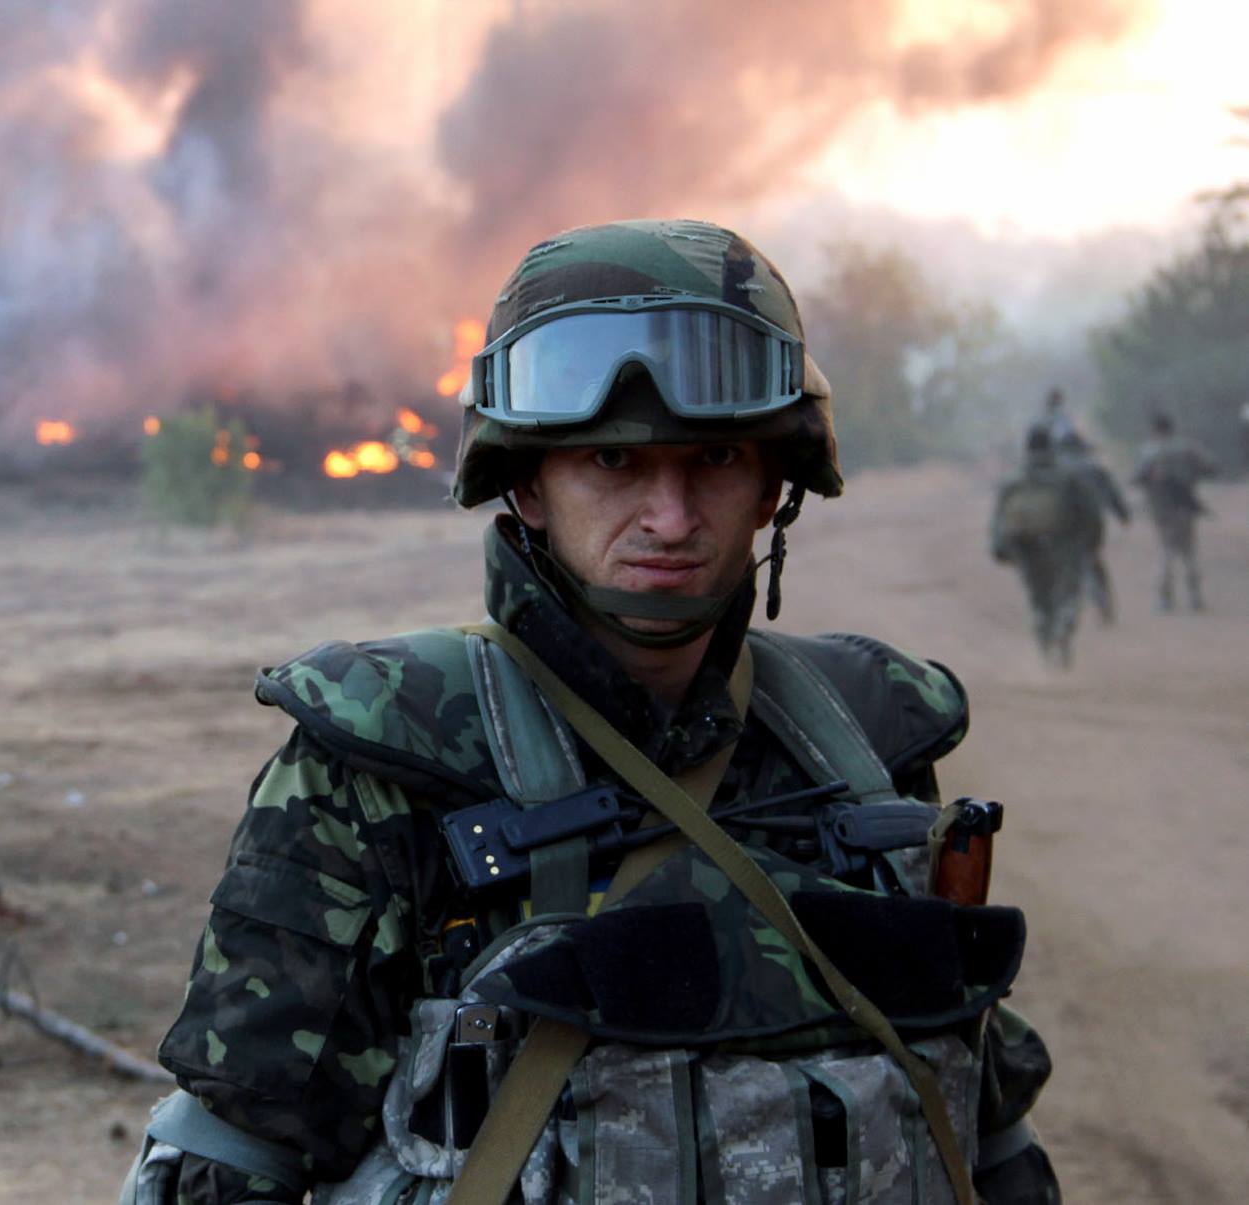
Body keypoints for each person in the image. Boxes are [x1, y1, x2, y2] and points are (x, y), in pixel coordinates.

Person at [122, 220, 1058, 1205]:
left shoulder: (866, 741)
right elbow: (234, 1156)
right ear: (527, 483)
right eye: (612, 462)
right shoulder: (387, 757)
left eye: (715, 457)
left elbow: (981, 1128)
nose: (670, 516)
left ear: (771, 485)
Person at [990, 425, 1098, 666]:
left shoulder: (1014, 480)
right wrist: (1091, 542)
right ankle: (1063, 627)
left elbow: (999, 519)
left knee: (1038, 598)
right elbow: (1090, 514)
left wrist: (999, 548)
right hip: (1064, 546)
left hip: (1026, 549)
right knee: (1067, 594)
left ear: (1027, 448)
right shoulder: (1068, 477)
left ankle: (1044, 642)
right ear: (1051, 447)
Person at [1134, 410, 1215, 613]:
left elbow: (1137, 477)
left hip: (1161, 509)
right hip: (1186, 505)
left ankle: (1165, 600)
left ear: (1155, 430)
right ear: (1172, 428)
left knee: (1166, 551)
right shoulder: (1188, 448)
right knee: (1189, 552)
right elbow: (1210, 468)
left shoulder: (1148, 451)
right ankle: (1195, 598)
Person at [1052, 428, 1130, 625]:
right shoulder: (1094, 468)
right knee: (1092, 560)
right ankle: (1102, 602)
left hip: (1063, 523)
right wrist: (1122, 515)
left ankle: (1068, 606)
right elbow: (1112, 493)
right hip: (1093, 522)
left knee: (1065, 563)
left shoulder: (1054, 469)